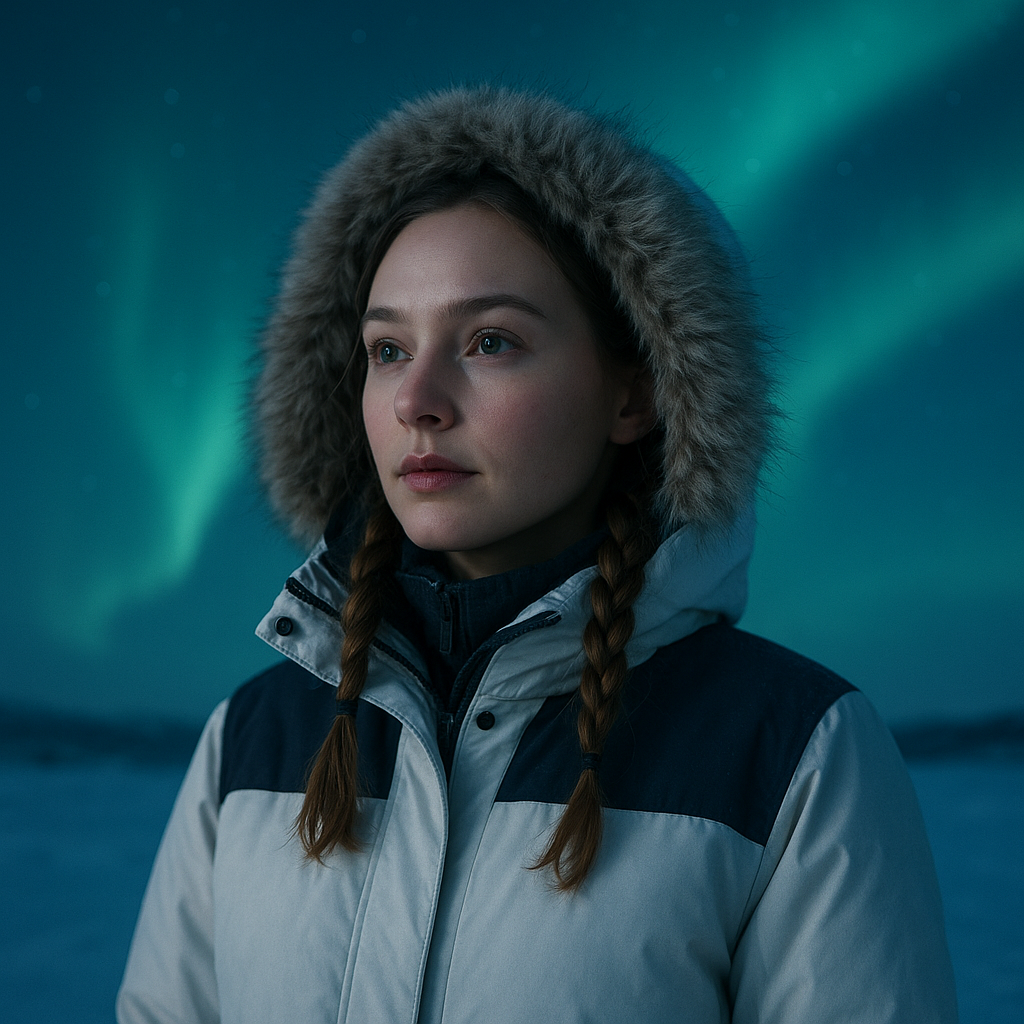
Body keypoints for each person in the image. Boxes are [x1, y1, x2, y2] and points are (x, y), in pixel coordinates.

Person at [117, 87, 958, 1023]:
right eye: (387, 350)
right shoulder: (250, 738)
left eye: (490, 341)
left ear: (635, 395)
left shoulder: (793, 750)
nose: (417, 401)